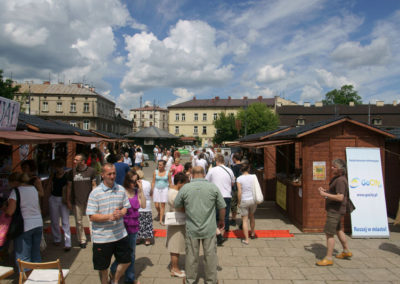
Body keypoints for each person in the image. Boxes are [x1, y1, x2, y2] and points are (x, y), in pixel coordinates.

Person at [174, 166, 226, 284]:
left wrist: (186, 209)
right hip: (209, 228)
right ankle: (211, 280)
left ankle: (190, 280)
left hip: (192, 228)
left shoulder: (186, 188)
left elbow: (177, 204)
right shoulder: (212, 187)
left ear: (191, 174)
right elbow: (222, 207)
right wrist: (221, 220)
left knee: (191, 256)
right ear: (204, 174)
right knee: (210, 256)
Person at [86, 163, 132, 284]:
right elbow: (91, 216)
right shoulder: (95, 193)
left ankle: (115, 280)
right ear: (102, 175)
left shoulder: (121, 189)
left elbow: (125, 207)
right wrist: (109, 216)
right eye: (109, 174)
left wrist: (121, 213)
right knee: (103, 268)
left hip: (120, 234)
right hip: (102, 237)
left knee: (127, 260)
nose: (112, 176)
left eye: (114, 173)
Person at [110, 170, 146, 284]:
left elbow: (143, 205)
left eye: (136, 181)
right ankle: (114, 269)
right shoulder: (121, 191)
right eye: (132, 181)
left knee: (131, 253)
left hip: (133, 227)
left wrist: (141, 190)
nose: (134, 183)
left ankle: (129, 278)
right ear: (127, 180)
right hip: (122, 226)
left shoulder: (136, 191)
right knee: (122, 252)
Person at [316, 158, 352, 266]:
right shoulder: (339, 178)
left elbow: (340, 197)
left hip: (335, 210)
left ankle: (328, 258)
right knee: (338, 229)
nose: (332, 168)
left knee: (329, 233)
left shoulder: (340, 180)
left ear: (340, 169)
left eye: (334, 167)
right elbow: (336, 193)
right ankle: (346, 251)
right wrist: (326, 191)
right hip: (337, 210)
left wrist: (325, 195)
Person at [6, 173, 43, 267]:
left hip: (24, 225)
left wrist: (4, 210)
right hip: (38, 223)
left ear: (14, 182)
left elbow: (10, 211)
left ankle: (25, 279)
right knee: (36, 253)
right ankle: (37, 276)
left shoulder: (15, 191)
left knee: (23, 256)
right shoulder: (33, 188)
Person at [67, 154, 96, 249]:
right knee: (78, 221)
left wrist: (94, 199)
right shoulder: (72, 172)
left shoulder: (91, 171)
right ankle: (82, 240)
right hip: (76, 200)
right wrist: (68, 200)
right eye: (74, 159)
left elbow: (94, 185)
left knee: (92, 220)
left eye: (76, 160)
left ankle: (94, 238)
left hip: (89, 200)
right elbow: (69, 187)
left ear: (83, 161)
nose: (74, 161)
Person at [206, 154, 235, 246]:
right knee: (225, 215)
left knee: (214, 215)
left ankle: (217, 234)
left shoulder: (212, 170)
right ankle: (223, 233)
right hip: (227, 195)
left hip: (215, 195)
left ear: (216, 161)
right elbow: (233, 182)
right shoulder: (229, 170)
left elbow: (206, 181)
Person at [166, 172, 189, 278]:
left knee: (175, 246)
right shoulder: (175, 193)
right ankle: (175, 269)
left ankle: (174, 266)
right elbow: (180, 207)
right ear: (179, 182)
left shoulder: (172, 190)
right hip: (177, 223)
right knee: (175, 247)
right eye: (184, 183)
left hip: (175, 222)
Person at [47, 158, 71, 251]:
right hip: (54, 198)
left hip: (63, 199)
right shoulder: (53, 175)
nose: (57, 169)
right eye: (55, 167)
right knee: (54, 220)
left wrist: (68, 201)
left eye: (58, 167)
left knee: (65, 221)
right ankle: (57, 238)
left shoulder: (67, 175)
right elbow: (49, 185)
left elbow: (69, 188)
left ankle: (67, 242)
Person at [236, 162, 258, 244]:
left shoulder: (239, 179)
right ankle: (252, 233)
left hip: (244, 200)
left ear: (241, 169)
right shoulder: (253, 177)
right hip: (253, 199)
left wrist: (239, 202)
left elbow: (239, 192)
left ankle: (247, 239)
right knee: (252, 216)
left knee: (244, 220)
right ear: (249, 169)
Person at [136, 170, 154, 246]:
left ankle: (138, 238)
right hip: (147, 204)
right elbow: (151, 192)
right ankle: (147, 239)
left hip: (138, 205)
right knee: (147, 223)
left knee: (138, 223)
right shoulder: (148, 183)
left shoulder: (135, 183)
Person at [152, 160, 169, 225]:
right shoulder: (155, 172)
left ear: (164, 165)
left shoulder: (168, 173)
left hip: (165, 189)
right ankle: (160, 213)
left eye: (161, 165)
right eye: (158, 165)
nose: (159, 166)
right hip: (156, 189)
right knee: (156, 205)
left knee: (162, 205)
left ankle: (161, 220)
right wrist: (151, 190)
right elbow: (153, 181)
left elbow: (170, 182)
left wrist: (173, 190)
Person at [230, 153, 242, 226]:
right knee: (242, 205)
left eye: (232, 158)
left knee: (233, 204)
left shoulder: (235, 167)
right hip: (243, 188)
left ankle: (233, 219)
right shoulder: (243, 166)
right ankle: (243, 222)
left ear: (235, 158)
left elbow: (233, 178)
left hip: (236, 188)